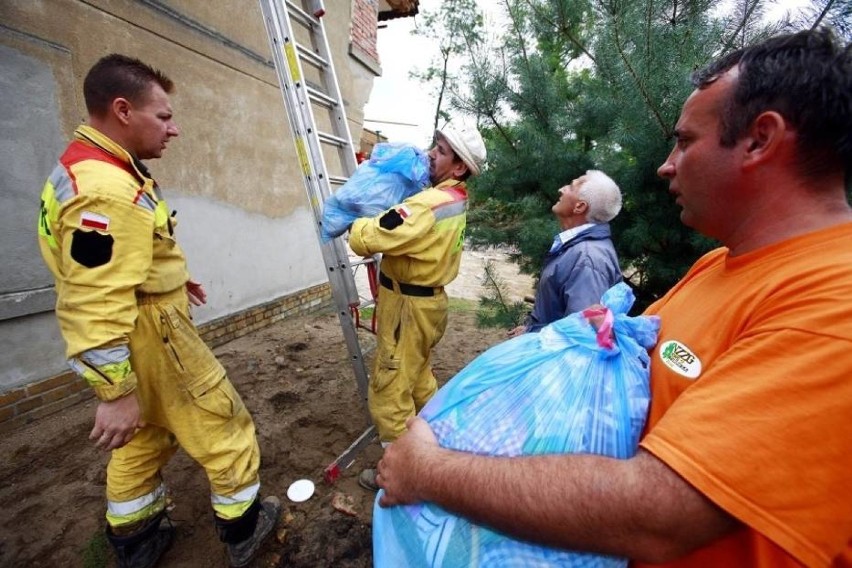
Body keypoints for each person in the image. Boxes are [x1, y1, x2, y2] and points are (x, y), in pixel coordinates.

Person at [374, 28, 852, 566]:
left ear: (760, 139)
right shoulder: (719, 263)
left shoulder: (832, 312)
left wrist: (428, 472)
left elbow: (654, 516)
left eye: (686, 141)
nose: (665, 164)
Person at [37, 54, 280, 568]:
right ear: (123, 110)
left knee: (143, 439)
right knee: (224, 424)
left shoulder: (88, 167)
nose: (175, 129)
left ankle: (138, 540)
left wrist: (169, 277)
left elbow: (114, 263)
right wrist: (116, 393)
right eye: (164, 117)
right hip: (150, 332)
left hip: (142, 320)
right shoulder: (106, 192)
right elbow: (93, 299)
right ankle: (245, 529)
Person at [347, 126, 487, 490]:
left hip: (409, 306)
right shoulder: (454, 198)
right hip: (426, 304)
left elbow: (371, 237)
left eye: (440, 151)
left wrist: (356, 218)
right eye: (435, 146)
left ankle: (405, 472)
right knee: (419, 375)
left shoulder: (428, 205)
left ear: (458, 168)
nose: (430, 154)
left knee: (390, 389)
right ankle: (439, 435)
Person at [507, 170, 622, 337]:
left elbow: (581, 334)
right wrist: (530, 330)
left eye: (570, 187)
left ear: (580, 206)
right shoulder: (578, 248)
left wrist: (534, 337)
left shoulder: (587, 259)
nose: (561, 189)